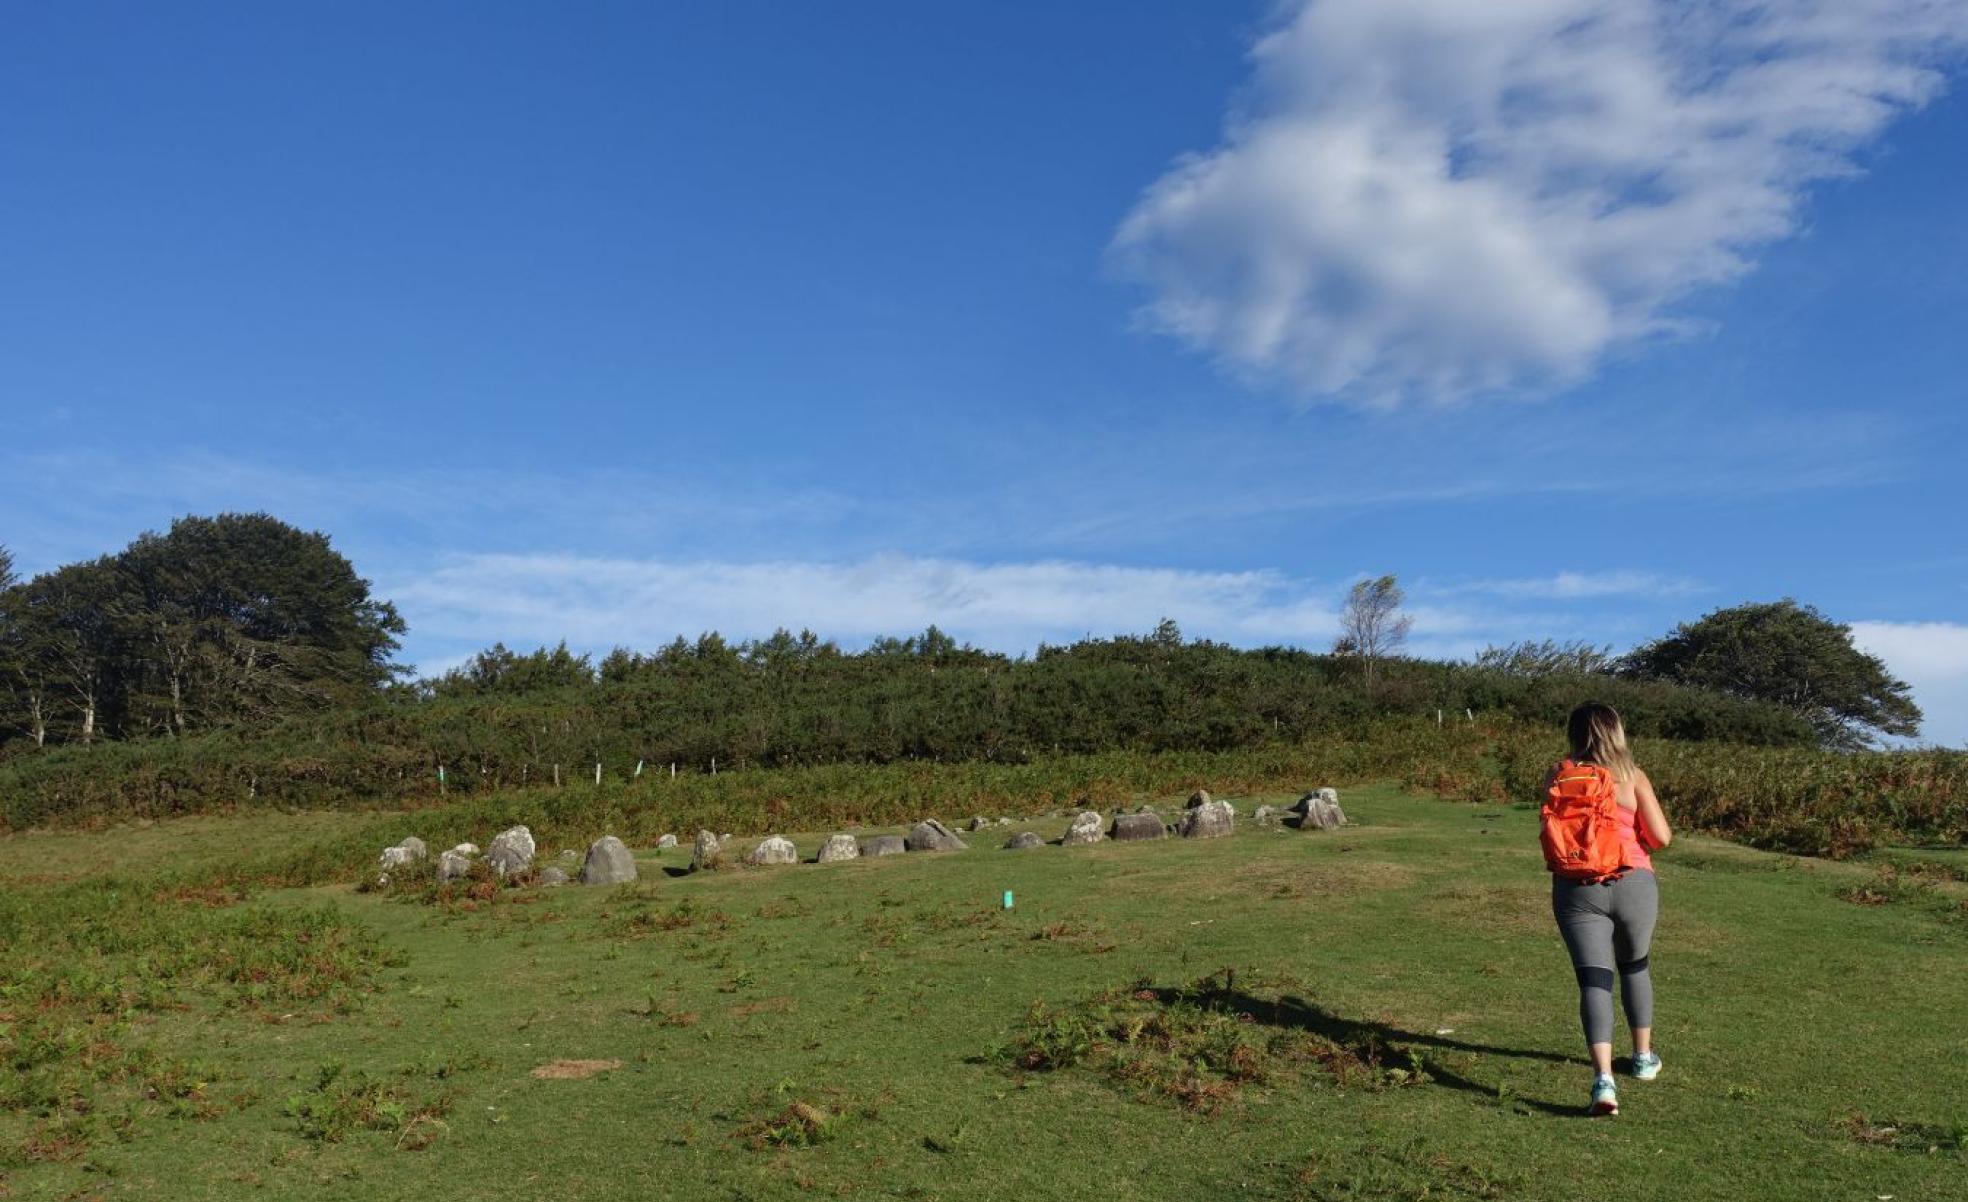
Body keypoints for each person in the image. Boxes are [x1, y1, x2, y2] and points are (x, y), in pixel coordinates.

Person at [1548, 702, 1672, 1117]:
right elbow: (1660, 837)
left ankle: (1603, 1080)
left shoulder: (1560, 774)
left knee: (1594, 980)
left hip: (1577, 887)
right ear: (1616, 732)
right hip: (1633, 881)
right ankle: (1642, 1057)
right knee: (1634, 966)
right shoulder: (1632, 777)